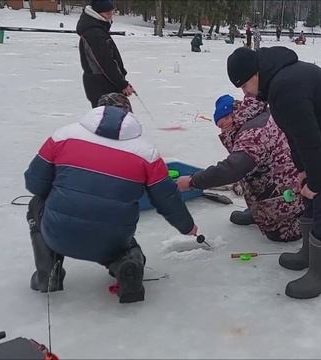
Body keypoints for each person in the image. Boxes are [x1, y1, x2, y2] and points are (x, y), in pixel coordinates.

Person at [226, 47, 321, 299]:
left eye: (244, 85)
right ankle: (308, 253)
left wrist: (315, 182)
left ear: (255, 73)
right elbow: (294, 134)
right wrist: (303, 171)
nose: (245, 93)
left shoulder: (286, 86)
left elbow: (310, 141)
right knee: (310, 197)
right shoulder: (277, 84)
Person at [24, 93, 198, 304]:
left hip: (58, 233)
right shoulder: (147, 153)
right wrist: (187, 227)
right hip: (111, 240)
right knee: (124, 246)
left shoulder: (62, 136)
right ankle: (127, 265)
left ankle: (49, 275)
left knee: (36, 205)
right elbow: (167, 199)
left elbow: (34, 183)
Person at [177, 95, 305, 242]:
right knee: (251, 174)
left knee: (281, 234)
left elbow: (233, 169)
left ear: (232, 113)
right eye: (219, 126)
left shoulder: (252, 133)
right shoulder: (252, 117)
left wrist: (193, 181)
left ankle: (319, 220)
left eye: (223, 122)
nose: (222, 128)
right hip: (274, 181)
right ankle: (259, 212)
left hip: (287, 187)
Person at [76, 0, 134, 108]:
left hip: (107, 85)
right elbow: (106, 63)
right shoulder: (94, 33)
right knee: (111, 121)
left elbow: (111, 58)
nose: (110, 17)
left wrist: (122, 81)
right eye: (107, 14)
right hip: (102, 88)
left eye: (112, 13)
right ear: (97, 13)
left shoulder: (98, 30)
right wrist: (122, 84)